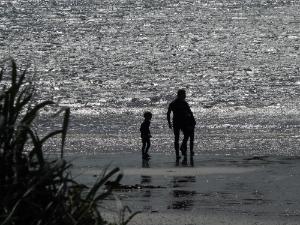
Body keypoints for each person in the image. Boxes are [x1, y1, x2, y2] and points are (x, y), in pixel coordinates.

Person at [167, 89, 196, 164]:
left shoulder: (182, 103)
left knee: (186, 136)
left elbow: (190, 112)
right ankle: (178, 153)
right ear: (180, 95)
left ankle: (182, 149)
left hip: (182, 122)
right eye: (184, 94)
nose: (185, 96)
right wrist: (169, 123)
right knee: (178, 138)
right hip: (178, 123)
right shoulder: (175, 103)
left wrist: (192, 120)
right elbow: (168, 113)